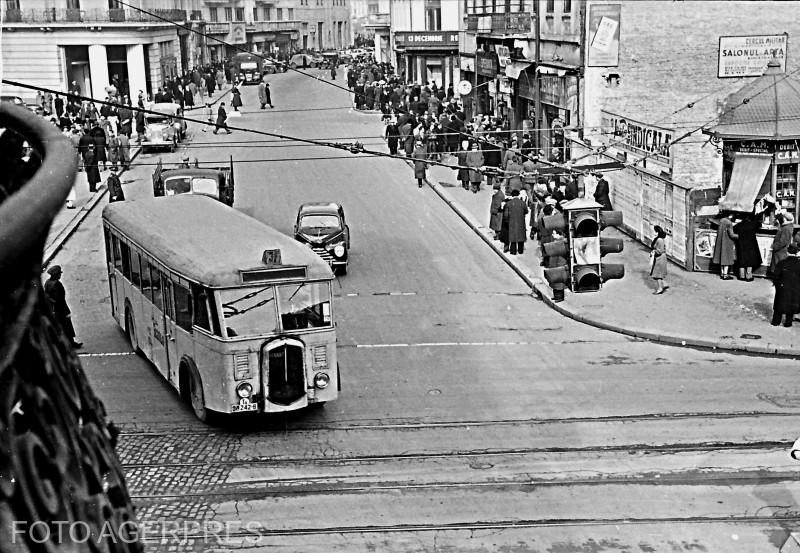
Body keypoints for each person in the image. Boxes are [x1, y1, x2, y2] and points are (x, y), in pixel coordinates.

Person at [44, 265, 82, 348]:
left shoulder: (47, 282)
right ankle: (71, 344)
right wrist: (66, 311)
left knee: (59, 327)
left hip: (53, 309)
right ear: (56, 275)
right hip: (60, 310)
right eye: (59, 274)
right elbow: (60, 300)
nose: (60, 275)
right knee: (67, 327)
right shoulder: (57, 284)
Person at [771, 244, 800, 327]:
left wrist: (777, 286)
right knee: (791, 305)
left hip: (782, 288)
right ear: (797, 252)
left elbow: (776, 276)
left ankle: (776, 322)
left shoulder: (781, 263)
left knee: (779, 305)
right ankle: (788, 323)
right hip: (795, 288)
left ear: (787, 252)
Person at [734, 213, 762, 281]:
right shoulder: (753, 224)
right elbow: (759, 224)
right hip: (751, 244)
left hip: (741, 244)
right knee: (750, 260)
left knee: (742, 259)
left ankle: (741, 276)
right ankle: (748, 276)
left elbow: (734, 229)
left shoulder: (739, 225)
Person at [712, 212, 738, 280]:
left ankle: (722, 273)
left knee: (722, 258)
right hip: (727, 242)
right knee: (727, 259)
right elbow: (731, 234)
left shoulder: (721, 220)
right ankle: (725, 275)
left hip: (721, 241)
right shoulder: (729, 223)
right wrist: (739, 236)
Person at [503, 189, 529, 255]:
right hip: (521, 222)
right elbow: (526, 211)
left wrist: (506, 221)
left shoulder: (508, 204)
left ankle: (513, 251)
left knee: (513, 237)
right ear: (518, 195)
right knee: (521, 236)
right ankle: (520, 250)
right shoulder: (522, 203)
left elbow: (506, 215)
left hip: (512, 222)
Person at [650, 225, 669, 294]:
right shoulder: (660, 239)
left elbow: (659, 251)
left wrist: (654, 251)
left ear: (657, 232)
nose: (654, 233)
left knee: (657, 274)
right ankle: (664, 284)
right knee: (658, 273)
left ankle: (660, 289)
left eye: (655, 232)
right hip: (661, 258)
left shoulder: (659, 240)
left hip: (660, 258)